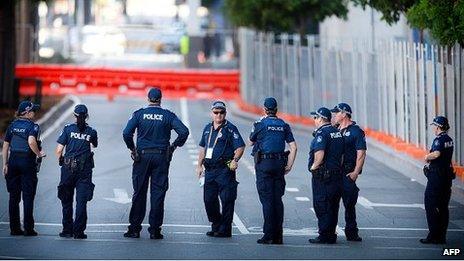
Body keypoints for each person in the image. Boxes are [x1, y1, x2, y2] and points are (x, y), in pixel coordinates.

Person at [122, 87, 189, 239]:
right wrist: (173, 146)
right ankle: (154, 230)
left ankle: (134, 229)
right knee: (158, 194)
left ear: (148, 98)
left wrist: (133, 149)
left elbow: (126, 133)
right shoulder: (168, 115)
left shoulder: (139, 114)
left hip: (142, 157)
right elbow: (184, 132)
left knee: (139, 193)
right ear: (160, 99)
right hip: (161, 158)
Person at [249, 97, 297, 244]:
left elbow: (251, 141)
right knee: (277, 200)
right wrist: (289, 165)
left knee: (267, 200)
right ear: (276, 109)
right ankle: (278, 236)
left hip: (265, 164)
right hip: (279, 164)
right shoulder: (284, 125)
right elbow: (293, 147)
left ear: (264, 109)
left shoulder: (260, 124)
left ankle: (268, 234)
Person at [196, 101, 245, 238]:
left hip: (224, 170)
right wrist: (199, 165)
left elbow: (240, 147)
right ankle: (216, 224)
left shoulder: (230, 129)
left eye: (221, 112)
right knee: (209, 200)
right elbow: (202, 148)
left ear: (225, 113)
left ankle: (225, 229)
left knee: (227, 200)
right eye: (216, 112)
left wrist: (235, 160)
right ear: (212, 113)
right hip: (210, 170)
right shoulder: (207, 128)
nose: (219, 115)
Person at [2, 100, 45, 236]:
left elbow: (5, 145)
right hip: (27, 162)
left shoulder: (12, 125)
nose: (35, 112)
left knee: (13, 197)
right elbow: (31, 141)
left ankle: (14, 229)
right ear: (26, 112)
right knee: (28, 197)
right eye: (33, 110)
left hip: (13, 161)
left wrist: (5, 164)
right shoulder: (33, 127)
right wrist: (39, 153)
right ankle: (28, 228)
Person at [56, 104, 98, 239]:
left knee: (66, 200)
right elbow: (94, 145)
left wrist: (61, 160)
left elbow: (59, 150)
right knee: (81, 201)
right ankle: (79, 232)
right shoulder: (91, 131)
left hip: (68, 168)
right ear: (87, 116)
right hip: (84, 170)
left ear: (74, 115)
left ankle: (67, 230)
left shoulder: (68, 129)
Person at [308, 107, 344, 244]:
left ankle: (324, 235)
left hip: (323, 176)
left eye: (315, 118)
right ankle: (331, 234)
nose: (314, 121)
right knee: (334, 206)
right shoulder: (337, 132)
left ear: (322, 118)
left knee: (321, 205)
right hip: (336, 175)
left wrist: (313, 167)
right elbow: (341, 156)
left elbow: (320, 154)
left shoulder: (322, 133)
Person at [331, 103, 366, 241]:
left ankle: (352, 233)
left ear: (344, 114)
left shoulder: (356, 131)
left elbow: (361, 153)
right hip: (334, 174)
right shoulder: (335, 130)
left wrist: (355, 172)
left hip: (347, 173)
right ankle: (329, 233)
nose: (334, 115)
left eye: (337, 113)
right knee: (332, 204)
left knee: (349, 204)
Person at [421, 116, 455, 244]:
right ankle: (441, 236)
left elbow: (436, 154)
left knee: (430, 203)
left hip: (437, 176)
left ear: (438, 126)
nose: (433, 129)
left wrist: (427, 157)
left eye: (434, 126)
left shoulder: (438, 140)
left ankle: (433, 235)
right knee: (443, 206)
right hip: (446, 175)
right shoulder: (450, 140)